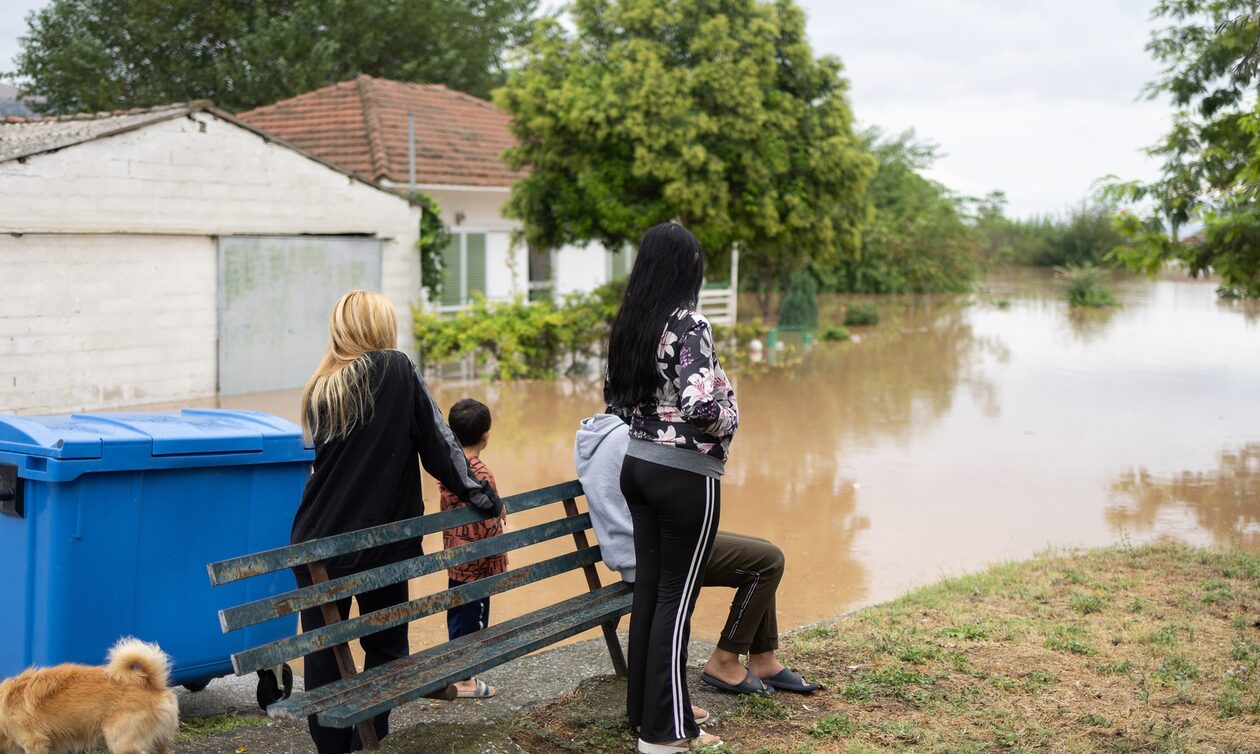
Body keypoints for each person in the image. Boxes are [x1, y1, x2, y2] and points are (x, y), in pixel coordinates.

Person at [290, 290, 502, 754]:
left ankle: (333, 748)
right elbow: (440, 445)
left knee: (324, 656)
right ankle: (370, 742)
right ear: (380, 328)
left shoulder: (322, 386)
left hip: (315, 544)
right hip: (379, 544)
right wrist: (480, 494)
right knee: (386, 650)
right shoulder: (397, 368)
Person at [604, 223, 736, 754]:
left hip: (637, 466)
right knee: (676, 602)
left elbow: (614, 402)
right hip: (684, 475)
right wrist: (732, 416)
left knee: (653, 594)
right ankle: (664, 734)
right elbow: (701, 406)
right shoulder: (688, 323)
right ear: (687, 269)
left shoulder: (629, 323)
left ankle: (645, 714)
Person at [576, 414, 821, 697]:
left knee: (762, 549)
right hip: (651, 552)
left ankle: (763, 659)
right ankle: (724, 661)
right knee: (767, 561)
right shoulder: (631, 440)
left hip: (644, 544)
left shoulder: (598, 435)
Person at [438, 397, 507, 699]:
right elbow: (489, 520)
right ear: (486, 435)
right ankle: (466, 679)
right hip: (477, 563)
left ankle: (457, 671)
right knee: (475, 619)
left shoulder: (450, 468)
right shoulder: (481, 473)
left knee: (458, 614)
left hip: (456, 557)